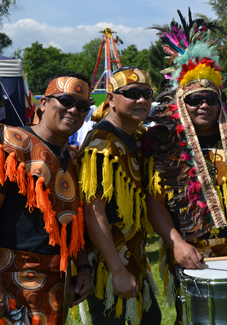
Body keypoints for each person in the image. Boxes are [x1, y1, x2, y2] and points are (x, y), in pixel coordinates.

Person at [145, 12, 227, 325]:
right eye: (194, 100)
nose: (203, 105)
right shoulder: (164, 145)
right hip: (190, 255)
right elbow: (155, 203)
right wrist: (176, 243)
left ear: (220, 102)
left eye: (210, 99)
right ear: (180, 103)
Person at [0, 72, 93, 324]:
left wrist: (82, 268)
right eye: (65, 101)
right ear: (44, 103)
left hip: (55, 282)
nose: (74, 110)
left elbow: (73, 222)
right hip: (7, 277)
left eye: (82, 106)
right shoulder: (7, 145)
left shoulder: (71, 160)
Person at [76, 66, 161, 325]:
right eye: (132, 93)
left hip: (135, 259)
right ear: (110, 99)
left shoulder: (137, 135)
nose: (142, 100)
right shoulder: (101, 144)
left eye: (146, 93)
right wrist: (117, 270)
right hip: (109, 267)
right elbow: (93, 213)